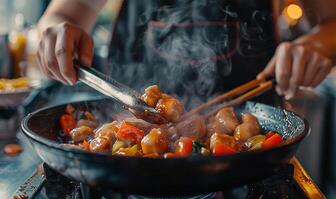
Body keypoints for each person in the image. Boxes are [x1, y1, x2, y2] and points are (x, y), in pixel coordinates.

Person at [36, 0, 336, 107]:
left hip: (251, 154)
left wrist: (316, 46)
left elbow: (331, 21)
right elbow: (61, 15)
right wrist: (56, 32)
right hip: (130, 147)